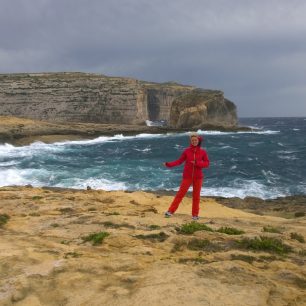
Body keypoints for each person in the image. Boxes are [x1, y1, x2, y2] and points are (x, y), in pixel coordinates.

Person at [163, 133, 210, 220]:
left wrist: (197, 163)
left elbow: (207, 164)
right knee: (180, 194)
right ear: (190, 142)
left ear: (198, 141)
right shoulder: (187, 151)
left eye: (195, 140)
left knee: (196, 197)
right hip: (187, 177)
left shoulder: (203, 152)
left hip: (198, 177)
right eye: (192, 140)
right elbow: (179, 161)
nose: (194, 142)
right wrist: (169, 164)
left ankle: (195, 215)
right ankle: (170, 211)